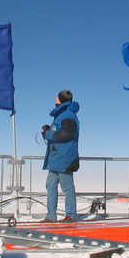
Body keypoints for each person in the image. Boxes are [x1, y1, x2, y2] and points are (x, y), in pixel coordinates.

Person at [41, 90, 80, 223]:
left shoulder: (67, 114)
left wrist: (48, 135)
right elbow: (60, 132)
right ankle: (51, 216)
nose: (55, 98)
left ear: (62, 100)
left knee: (67, 187)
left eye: (57, 97)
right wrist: (48, 131)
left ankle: (71, 215)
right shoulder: (61, 115)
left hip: (65, 157)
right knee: (50, 185)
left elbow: (66, 134)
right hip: (57, 157)